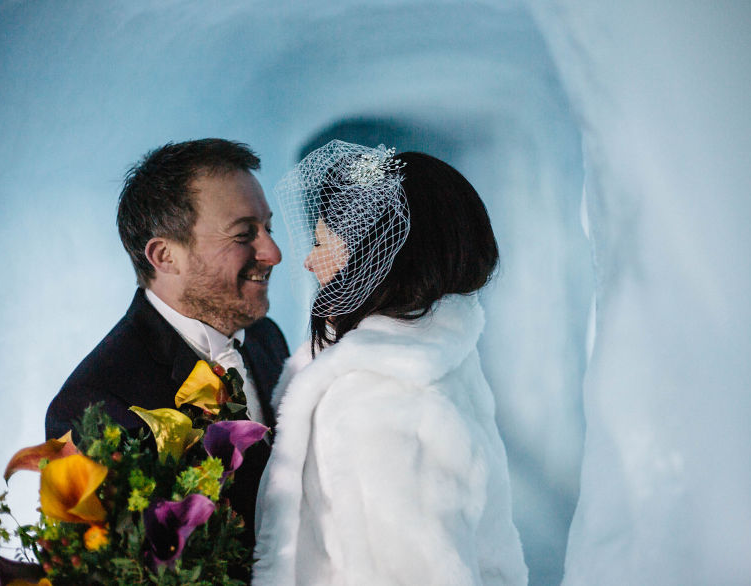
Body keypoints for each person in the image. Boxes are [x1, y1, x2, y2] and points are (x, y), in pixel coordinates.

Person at [252, 141, 528, 585]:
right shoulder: (435, 363)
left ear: (372, 259)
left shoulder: (375, 399)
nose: (308, 261)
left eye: (322, 243)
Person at [44, 138, 289, 562]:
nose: (273, 253)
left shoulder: (268, 338)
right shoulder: (93, 407)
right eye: (244, 234)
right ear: (164, 256)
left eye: (269, 229)